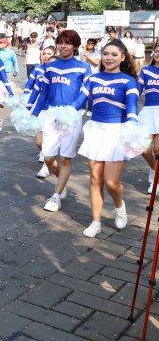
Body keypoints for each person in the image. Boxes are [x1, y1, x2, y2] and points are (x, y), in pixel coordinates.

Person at [73, 40, 139, 238]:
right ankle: (96, 222)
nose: (109, 58)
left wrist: (133, 125)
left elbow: (132, 107)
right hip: (96, 130)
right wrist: (62, 114)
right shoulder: (93, 79)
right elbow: (78, 102)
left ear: (122, 57)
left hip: (117, 132)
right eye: (106, 54)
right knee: (95, 178)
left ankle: (119, 206)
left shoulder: (128, 81)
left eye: (113, 54)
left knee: (111, 182)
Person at [31, 30, 91, 213]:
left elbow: (86, 91)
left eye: (68, 43)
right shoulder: (50, 67)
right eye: (61, 42)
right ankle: (62, 182)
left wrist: (73, 109)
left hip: (71, 116)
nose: (63, 46)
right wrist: (32, 113)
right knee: (48, 157)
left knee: (65, 158)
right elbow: (44, 93)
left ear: (75, 46)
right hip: (51, 114)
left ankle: (56, 195)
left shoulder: (83, 67)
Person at [24, 45, 57, 179]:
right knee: (39, 141)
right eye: (44, 54)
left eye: (49, 54)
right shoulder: (38, 69)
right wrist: (29, 108)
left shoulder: (59, 74)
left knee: (50, 140)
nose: (46, 56)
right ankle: (46, 154)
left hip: (54, 112)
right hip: (41, 109)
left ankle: (45, 166)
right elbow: (36, 90)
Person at [139, 48, 159, 194]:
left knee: (157, 150)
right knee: (143, 148)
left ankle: (156, 180)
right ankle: (154, 169)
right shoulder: (145, 71)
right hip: (148, 111)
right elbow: (136, 91)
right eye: (157, 50)